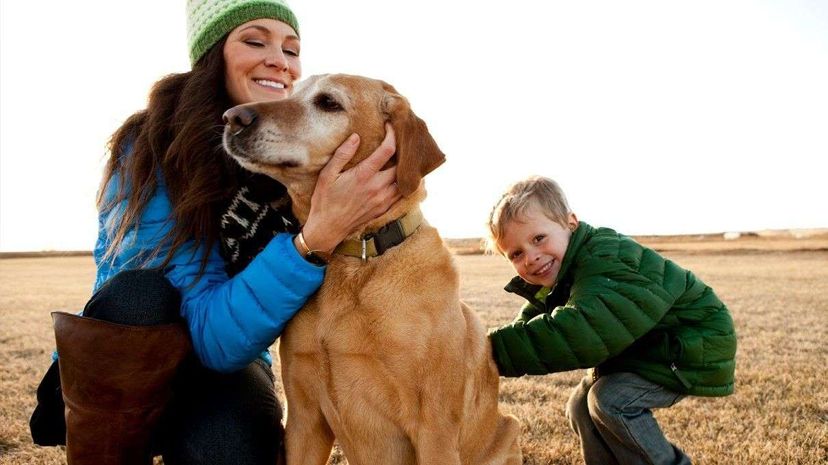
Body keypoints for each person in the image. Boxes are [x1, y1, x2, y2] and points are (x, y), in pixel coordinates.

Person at [29, 1, 400, 464]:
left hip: (230, 360)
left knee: (230, 449)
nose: (280, 60)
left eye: (292, 49)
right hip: (136, 355)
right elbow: (201, 331)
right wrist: (311, 243)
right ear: (212, 54)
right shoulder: (149, 145)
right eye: (254, 40)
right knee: (142, 295)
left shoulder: (298, 157)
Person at [486, 176, 736, 465]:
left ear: (570, 223)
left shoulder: (603, 258)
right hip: (644, 345)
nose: (530, 257)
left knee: (611, 400)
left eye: (538, 239)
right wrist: (481, 347)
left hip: (687, 341)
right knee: (580, 406)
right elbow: (530, 324)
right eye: (516, 253)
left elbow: (579, 329)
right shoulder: (564, 270)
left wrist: (493, 350)